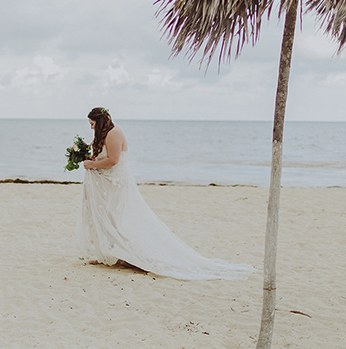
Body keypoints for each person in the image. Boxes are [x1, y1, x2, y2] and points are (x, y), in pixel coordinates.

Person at [76, 107, 254, 280]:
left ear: (100, 121)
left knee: (112, 218)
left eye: (92, 124)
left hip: (114, 182)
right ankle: (109, 254)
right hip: (106, 181)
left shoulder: (114, 133)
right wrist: (92, 159)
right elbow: (104, 157)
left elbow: (113, 160)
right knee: (103, 217)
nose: (91, 128)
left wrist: (93, 165)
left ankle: (128, 255)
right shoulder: (104, 133)